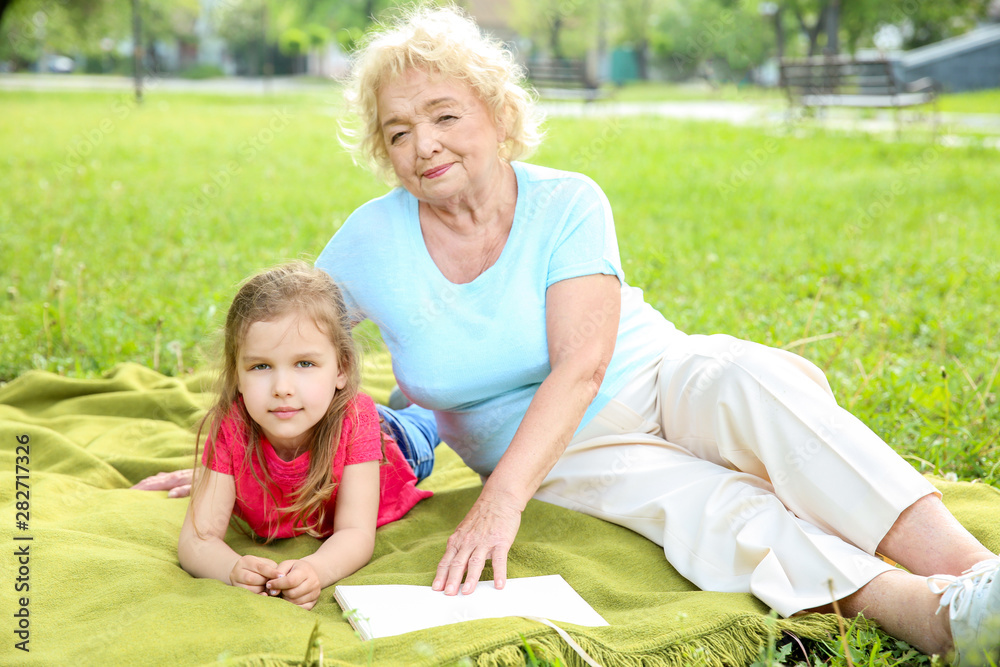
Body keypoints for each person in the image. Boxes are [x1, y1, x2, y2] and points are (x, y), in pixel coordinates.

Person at [139, 6, 999, 663]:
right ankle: (938, 618)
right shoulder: (371, 239)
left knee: (753, 379)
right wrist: (241, 446)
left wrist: (495, 509)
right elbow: (290, 336)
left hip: (658, 372)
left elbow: (584, 362)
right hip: (559, 452)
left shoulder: (567, 199)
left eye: (444, 115)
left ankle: (977, 572)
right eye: (398, 132)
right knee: (717, 508)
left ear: (497, 115)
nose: (423, 145)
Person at [171, 261, 436, 610]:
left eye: (305, 364)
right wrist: (232, 569)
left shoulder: (356, 419)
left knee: (433, 415)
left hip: (396, 444)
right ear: (236, 373)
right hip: (319, 410)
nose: (282, 388)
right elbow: (197, 541)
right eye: (260, 366)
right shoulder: (232, 425)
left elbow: (355, 533)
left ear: (342, 368)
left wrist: (316, 570)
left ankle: (420, 402)